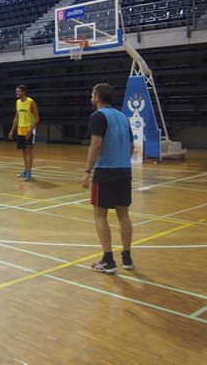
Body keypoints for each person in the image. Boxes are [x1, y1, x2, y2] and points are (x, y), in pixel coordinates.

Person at [81, 83, 134, 274]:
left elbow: (95, 144)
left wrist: (87, 171)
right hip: (124, 170)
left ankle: (108, 260)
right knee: (123, 215)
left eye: (91, 95)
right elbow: (131, 146)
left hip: (105, 171)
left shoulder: (97, 116)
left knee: (100, 215)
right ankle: (127, 258)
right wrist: (122, 161)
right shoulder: (122, 117)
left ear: (96, 97)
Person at [8, 85, 40, 181]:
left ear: (23, 92)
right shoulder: (17, 102)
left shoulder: (31, 102)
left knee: (29, 150)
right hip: (20, 129)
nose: (16, 93)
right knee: (23, 152)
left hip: (29, 129)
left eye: (18, 91)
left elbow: (37, 118)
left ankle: (29, 172)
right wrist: (12, 130)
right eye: (16, 91)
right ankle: (26, 170)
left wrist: (30, 130)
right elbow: (16, 117)